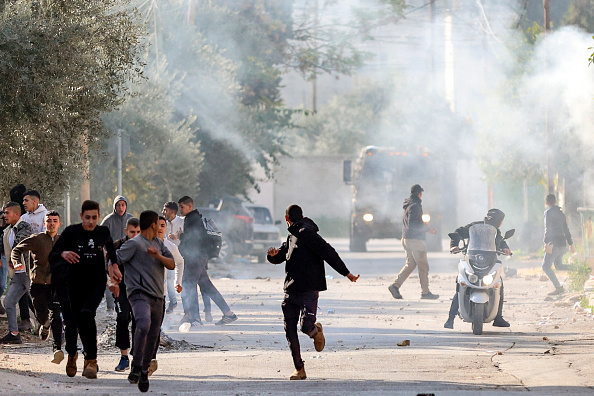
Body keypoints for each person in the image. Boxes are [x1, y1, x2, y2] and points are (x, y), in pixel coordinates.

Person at [267, 204, 359, 380]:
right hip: (291, 290)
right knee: (290, 331)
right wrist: (272, 255)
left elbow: (329, 253)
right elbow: (281, 255)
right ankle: (299, 369)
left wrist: (346, 273)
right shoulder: (291, 236)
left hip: (309, 289)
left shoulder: (308, 235)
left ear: (287, 219)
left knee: (305, 326)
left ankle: (315, 330)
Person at [49, 200, 121, 379]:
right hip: (74, 283)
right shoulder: (71, 232)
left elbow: (111, 252)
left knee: (87, 314)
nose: (91, 221)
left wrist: (115, 268)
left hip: (96, 282)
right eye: (87, 217)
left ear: (98, 216)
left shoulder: (103, 231)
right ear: (81, 216)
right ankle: (72, 355)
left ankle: (91, 360)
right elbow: (53, 255)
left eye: (94, 217)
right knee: (73, 322)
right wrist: (64, 253)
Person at [115, 210, 174, 392]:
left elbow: (171, 264)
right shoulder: (134, 244)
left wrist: (158, 256)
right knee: (143, 323)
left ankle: (144, 371)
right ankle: (136, 364)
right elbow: (114, 258)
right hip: (138, 293)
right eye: (159, 223)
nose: (160, 226)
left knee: (153, 335)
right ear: (153, 225)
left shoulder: (158, 243)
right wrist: (113, 277)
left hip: (158, 296)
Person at [10, 211, 64, 363]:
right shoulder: (37, 239)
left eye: (55, 221)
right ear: (44, 223)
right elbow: (17, 250)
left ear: (59, 224)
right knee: (41, 313)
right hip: (38, 284)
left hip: (55, 284)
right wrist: (16, 262)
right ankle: (44, 325)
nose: (52, 223)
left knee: (56, 314)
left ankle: (57, 348)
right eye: (49, 221)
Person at [444, 208, 512, 329]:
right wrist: (454, 245)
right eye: (501, 220)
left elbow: (501, 242)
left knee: (498, 283)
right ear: (499, 220)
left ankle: (498, 317)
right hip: (472, 259)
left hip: (490, 261)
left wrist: (506, 249)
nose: (501, 223)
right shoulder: (475, 227)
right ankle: (450, 319)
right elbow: (458, 232)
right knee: (462, 283)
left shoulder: (496, 232)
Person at [177, 196, 236, 328]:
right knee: (207, 286)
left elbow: (194, 239)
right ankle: (228, 313)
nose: (180, 209)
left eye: (182, 207)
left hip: (196, 258)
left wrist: (180, 236)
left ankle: (195, 318)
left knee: (189, 285)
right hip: (199, 257)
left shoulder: (193, 219)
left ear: (190, 206)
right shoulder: (193, 218)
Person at [388, 184, 439, 300]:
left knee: (410, 264)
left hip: (406, 239)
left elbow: (413, 222)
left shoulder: (408, 204)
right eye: (421, 193)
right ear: (418, 193)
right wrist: (427, 229)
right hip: (416, 240)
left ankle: (395, 286)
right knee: (423, 266)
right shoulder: (415, 206)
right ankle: (425, 293)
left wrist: (423, 225)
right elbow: (412, 223)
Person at [0, 202, 33, 344]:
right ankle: (14, 333)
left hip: (28, 272)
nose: (4, 215)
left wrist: (13, 260)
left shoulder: (25, 227)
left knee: (40, 303)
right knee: (9, 301)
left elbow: (20, 245)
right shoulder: (7, 231)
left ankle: (57, 328)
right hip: (18, 273)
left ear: (17, 214)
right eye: (4, 213)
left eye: (7, 213)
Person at [113, 217, 141, 372]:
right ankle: (124, 357)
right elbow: (109, 266)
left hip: (140, 291)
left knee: (139, 322)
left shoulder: (144, 246)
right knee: (123, 319)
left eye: (138, 232)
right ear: (126, 231)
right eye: (132, 232)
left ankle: (137, 356)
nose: (135, 235)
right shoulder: (117, 246)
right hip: (122, 290)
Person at [101, 195, 133, 312]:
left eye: (123, 205)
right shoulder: (108, 220)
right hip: (111, 255)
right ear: (114, 206)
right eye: (118, 205)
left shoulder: (131, 219)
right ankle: (111, 306)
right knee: (111, 278)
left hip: (128, 255)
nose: (121, 207)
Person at [542, 194, 575, 295]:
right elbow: (566, 229)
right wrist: (571, 244)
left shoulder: (547, 213)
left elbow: (548, 228)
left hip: (554, 244)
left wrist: (546, 242)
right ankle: (578, 268)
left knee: (545, 267)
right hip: (562, 244)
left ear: (546, 203)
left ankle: (559, 288)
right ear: (555, 202)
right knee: (559, 266)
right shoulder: (561, 213)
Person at [161, 201, 184, 314]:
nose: (163, 212)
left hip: (180, 256)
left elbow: (189, 238)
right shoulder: (163, 223)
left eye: (165, 210)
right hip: (167, 257)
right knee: (168, 279)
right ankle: (172, 302)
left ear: (173, 212)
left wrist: (178, 237)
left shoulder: (182, 222)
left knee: (175, 281)